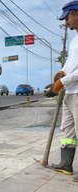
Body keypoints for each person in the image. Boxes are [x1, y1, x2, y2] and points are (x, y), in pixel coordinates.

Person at [44, 1, 78, 182]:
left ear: (77, 14)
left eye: (67, 18)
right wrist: (61, 73)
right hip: (71, 92)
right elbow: (71, 65)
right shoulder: (74, 41)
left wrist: (60, 83)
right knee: (67, 129)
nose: (66, 23)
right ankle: (66, 164)